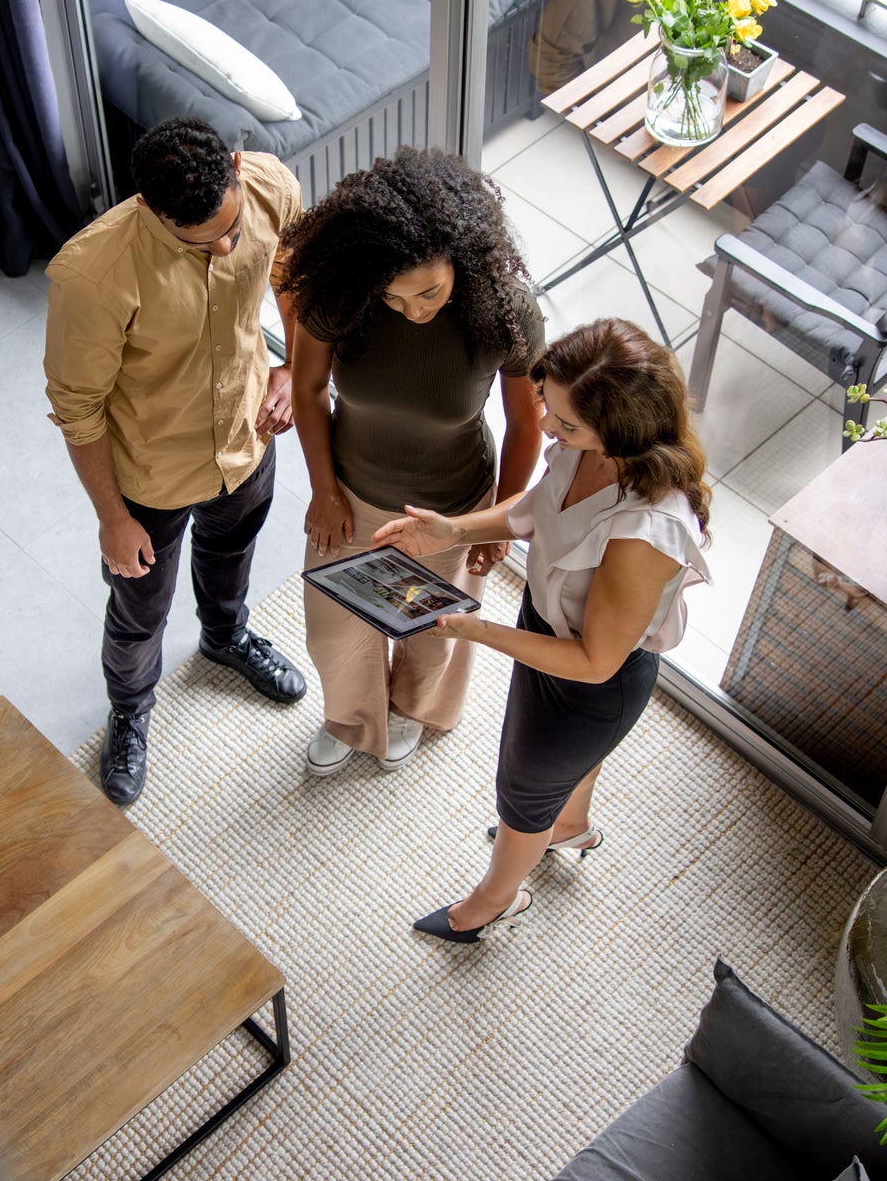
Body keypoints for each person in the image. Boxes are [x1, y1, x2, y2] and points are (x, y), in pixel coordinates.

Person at [375, 318, 712, 941]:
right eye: (549, 410)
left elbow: (594, 662)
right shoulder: (587, 447)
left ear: (622, 427)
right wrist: (454, 530)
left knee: (523, 790)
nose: (548, 429)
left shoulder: (647, 530)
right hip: (545, 631)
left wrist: (477, 631)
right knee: (556, 778)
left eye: (566, 424)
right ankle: (570, 827)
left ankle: (493, 902)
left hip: (592, 683)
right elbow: (538, 508)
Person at [43, 117, 308, 807]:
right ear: (151, 210)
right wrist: (111, 518)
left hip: (247, 439)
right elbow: (78, 409)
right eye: (201, 241)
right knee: (140, 612)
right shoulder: (92, 276)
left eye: (231, 229)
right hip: (151, 475)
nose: (225, 246)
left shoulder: (270, 185)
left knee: (232, 553)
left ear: (236, 167)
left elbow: (294, 270)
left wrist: (292, 368)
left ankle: (226, 637)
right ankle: (130, 711)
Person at [280, 146, 546, 776]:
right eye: (395, 300)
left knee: (430, 630)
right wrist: (324, 490)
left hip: (453, 504)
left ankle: (411, 710)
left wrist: (503, 519)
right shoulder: (339, 295)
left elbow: (528, 422)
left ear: (461, 255)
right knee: (336, 629)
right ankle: (351, 719)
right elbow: (308, 389)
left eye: (428, 292)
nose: (416, 311)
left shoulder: (506, 309)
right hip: (351, 490)